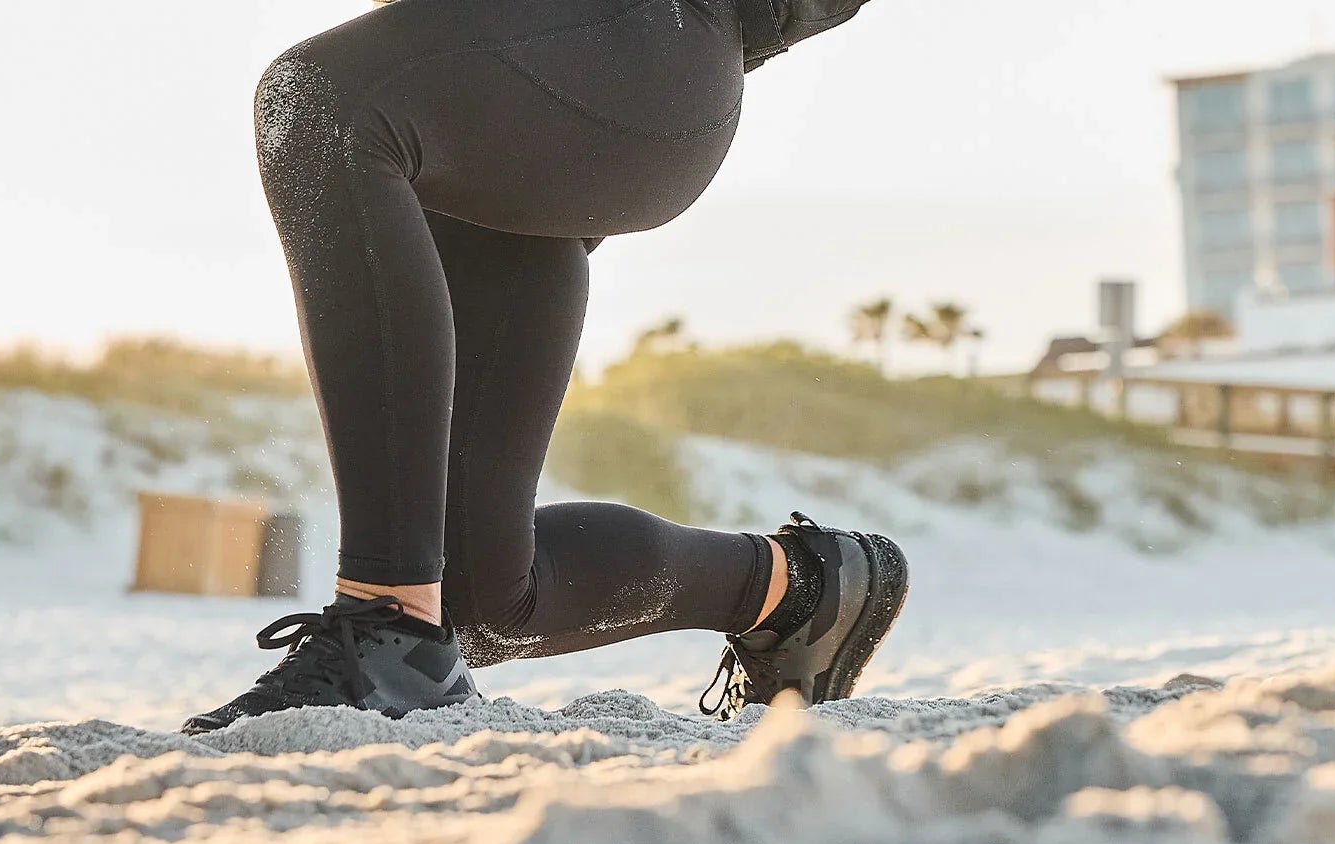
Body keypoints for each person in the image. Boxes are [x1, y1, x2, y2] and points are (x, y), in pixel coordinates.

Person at [183, 0, 904, 734]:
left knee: (321, 104)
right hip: (510, 65)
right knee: (475, 599)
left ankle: (385, 627)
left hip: (638, 37)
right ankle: (797, 590)